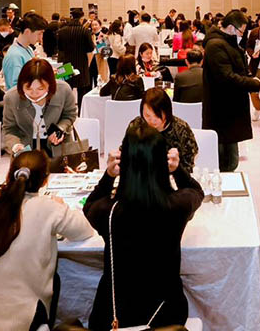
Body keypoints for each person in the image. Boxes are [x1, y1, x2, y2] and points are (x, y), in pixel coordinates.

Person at [0, 150, 94, 331]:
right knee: (54, 279)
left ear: (8, 175)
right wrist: (63, 207)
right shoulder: (49, 208)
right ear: (45, 181)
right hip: (18, 324)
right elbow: (84, 230)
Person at [83, 122, 203, 331]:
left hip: (113, 315)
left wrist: (108, 176)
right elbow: (196, 192)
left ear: (124, 162)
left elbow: (89, 206)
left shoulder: (109, 212)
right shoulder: (176, 207)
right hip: (166, 314)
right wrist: (177, 170)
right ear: (161, 162)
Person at [203, 10, 260, 172]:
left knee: (230, 159)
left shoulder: (227, 43)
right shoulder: (215, 45)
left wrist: (251, 79)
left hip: (230, 108)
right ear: (231, 27)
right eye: (241, 31)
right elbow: (227, 77)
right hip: (222, 110)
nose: (242, 35)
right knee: (225, 161)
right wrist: (254, 84)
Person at [2, 58, 77, 157]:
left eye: (40, 89)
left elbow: (70, 115)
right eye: (28, 88)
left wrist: (60, 128)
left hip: (59, 149)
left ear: (50, 85)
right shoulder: (11, 97)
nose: (34, 93)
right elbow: (9, 129)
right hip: (26, 152)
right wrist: (15, 145)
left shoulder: (63, 90)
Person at [127, 87, 199, 174]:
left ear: (167, 111)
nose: (152, 120)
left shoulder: (181, 129)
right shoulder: (136, 126)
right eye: (147, 115)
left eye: (157, 115)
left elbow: (188, 166)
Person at [55, 9, 95, 107]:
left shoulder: (62, 31)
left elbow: (60, 48)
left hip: (67, 63)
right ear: (81, 19)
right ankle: (81, 112)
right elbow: (90, 48)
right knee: (82, 90)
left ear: (71, 17)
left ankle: (66, 110)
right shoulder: (85, 31)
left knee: (66, 89)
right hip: (82, 64)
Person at [2, 13, 48, 90]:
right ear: (27, 32)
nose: (40, 38)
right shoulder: (14, 56)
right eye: (39, 34)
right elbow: (15, 87)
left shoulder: (28, 49)